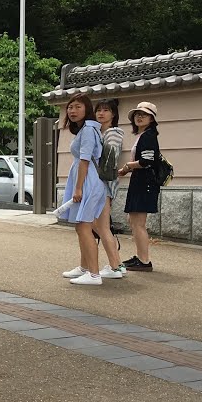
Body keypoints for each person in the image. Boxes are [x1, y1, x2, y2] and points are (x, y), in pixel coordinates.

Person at [58, 93, 110, 285]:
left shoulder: (88, 130)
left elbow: (85, 161)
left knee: (83, 227)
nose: (72, 111)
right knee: (82, 226)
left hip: (88, 182)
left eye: (78, 107)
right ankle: (85, 267)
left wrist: (78, 188)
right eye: (70, 107)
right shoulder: (87, 129)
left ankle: (94, 274)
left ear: (87, 109)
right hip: (90, 181)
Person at [119, 101, 162, 272]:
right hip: (140, 182)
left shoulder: (149, 136)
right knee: (133, 221)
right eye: (137, 114)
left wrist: (127, 167)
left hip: (145, 183)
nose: (139, 116)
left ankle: (144, 261)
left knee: (138, 223)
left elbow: (146, 161)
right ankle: (140, 257)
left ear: (152, 118)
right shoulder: (143, 135)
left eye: (144, 114)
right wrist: (127, 169)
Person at [93, 99, 125, 277]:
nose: (101, 113)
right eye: (98, 110)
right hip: (102, 183)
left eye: (106, 110)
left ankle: (116, 266)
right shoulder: (100, 132)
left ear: (113, 114)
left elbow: (109, 157)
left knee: (101, 225)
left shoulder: (113, 133)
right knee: (98, 224)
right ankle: (117, 264)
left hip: (103, 183)